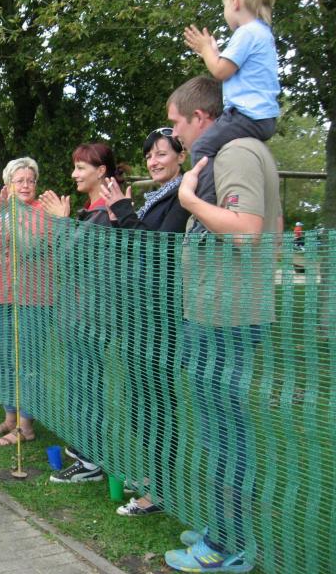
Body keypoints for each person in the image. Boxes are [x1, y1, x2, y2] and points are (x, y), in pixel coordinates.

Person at [163, 75, 281, 573]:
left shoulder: (236, 154)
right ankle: (222, 527)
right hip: (217, 313)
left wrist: (189, 201)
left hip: (227, 317)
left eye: (176, 123)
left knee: (225, 435)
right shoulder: (227, 153)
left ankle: (225, 545)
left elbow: (247, 232)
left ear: (201, 117)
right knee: (219, 431)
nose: (174, 135)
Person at [98, 129, 190, 516]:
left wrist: (122, 209)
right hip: (137, 315)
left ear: (181, 156)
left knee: (157, 402)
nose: (153, 161)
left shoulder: (182, 196)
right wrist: (119, 217)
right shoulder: (156, 198)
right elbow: (133, 248)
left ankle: (160, 491)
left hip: (160, 318)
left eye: (161, 154)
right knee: (139, 401)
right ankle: (153, 477)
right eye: (149, 155)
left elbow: (155, 248)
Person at [41, 143, 126, 484]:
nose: (74, 174)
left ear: (101, 171)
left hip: (91, 317)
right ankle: (84, 451)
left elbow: (71, 259)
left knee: (86, 387)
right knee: (79, 385)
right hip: (77, 314)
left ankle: (90, 460)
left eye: (81, 168)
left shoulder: (104, 213)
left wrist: (60, 223)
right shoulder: (91, 210)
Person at [0, 157, 59, 447]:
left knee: (28, 361)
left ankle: (26, 425)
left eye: (31, 180)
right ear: (8, 184)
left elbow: (28, 247)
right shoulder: (0, 211)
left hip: (34, 299)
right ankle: (10, 417)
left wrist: (4, 218)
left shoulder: (44, 212)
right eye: (19, 180)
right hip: (0, 294)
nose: (26, 185)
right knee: (3, 358)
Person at [183, 0, 279, 235]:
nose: (225, 11)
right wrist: (213, 51)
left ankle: (206, 213)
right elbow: (230, 67)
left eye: (224, 5)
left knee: (202, 148)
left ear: (235, 1)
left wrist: (206, 50)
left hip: (246, 115)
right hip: (264, 117)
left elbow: (219, 70)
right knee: (216, 147)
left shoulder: (246, 32)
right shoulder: (263, 33)